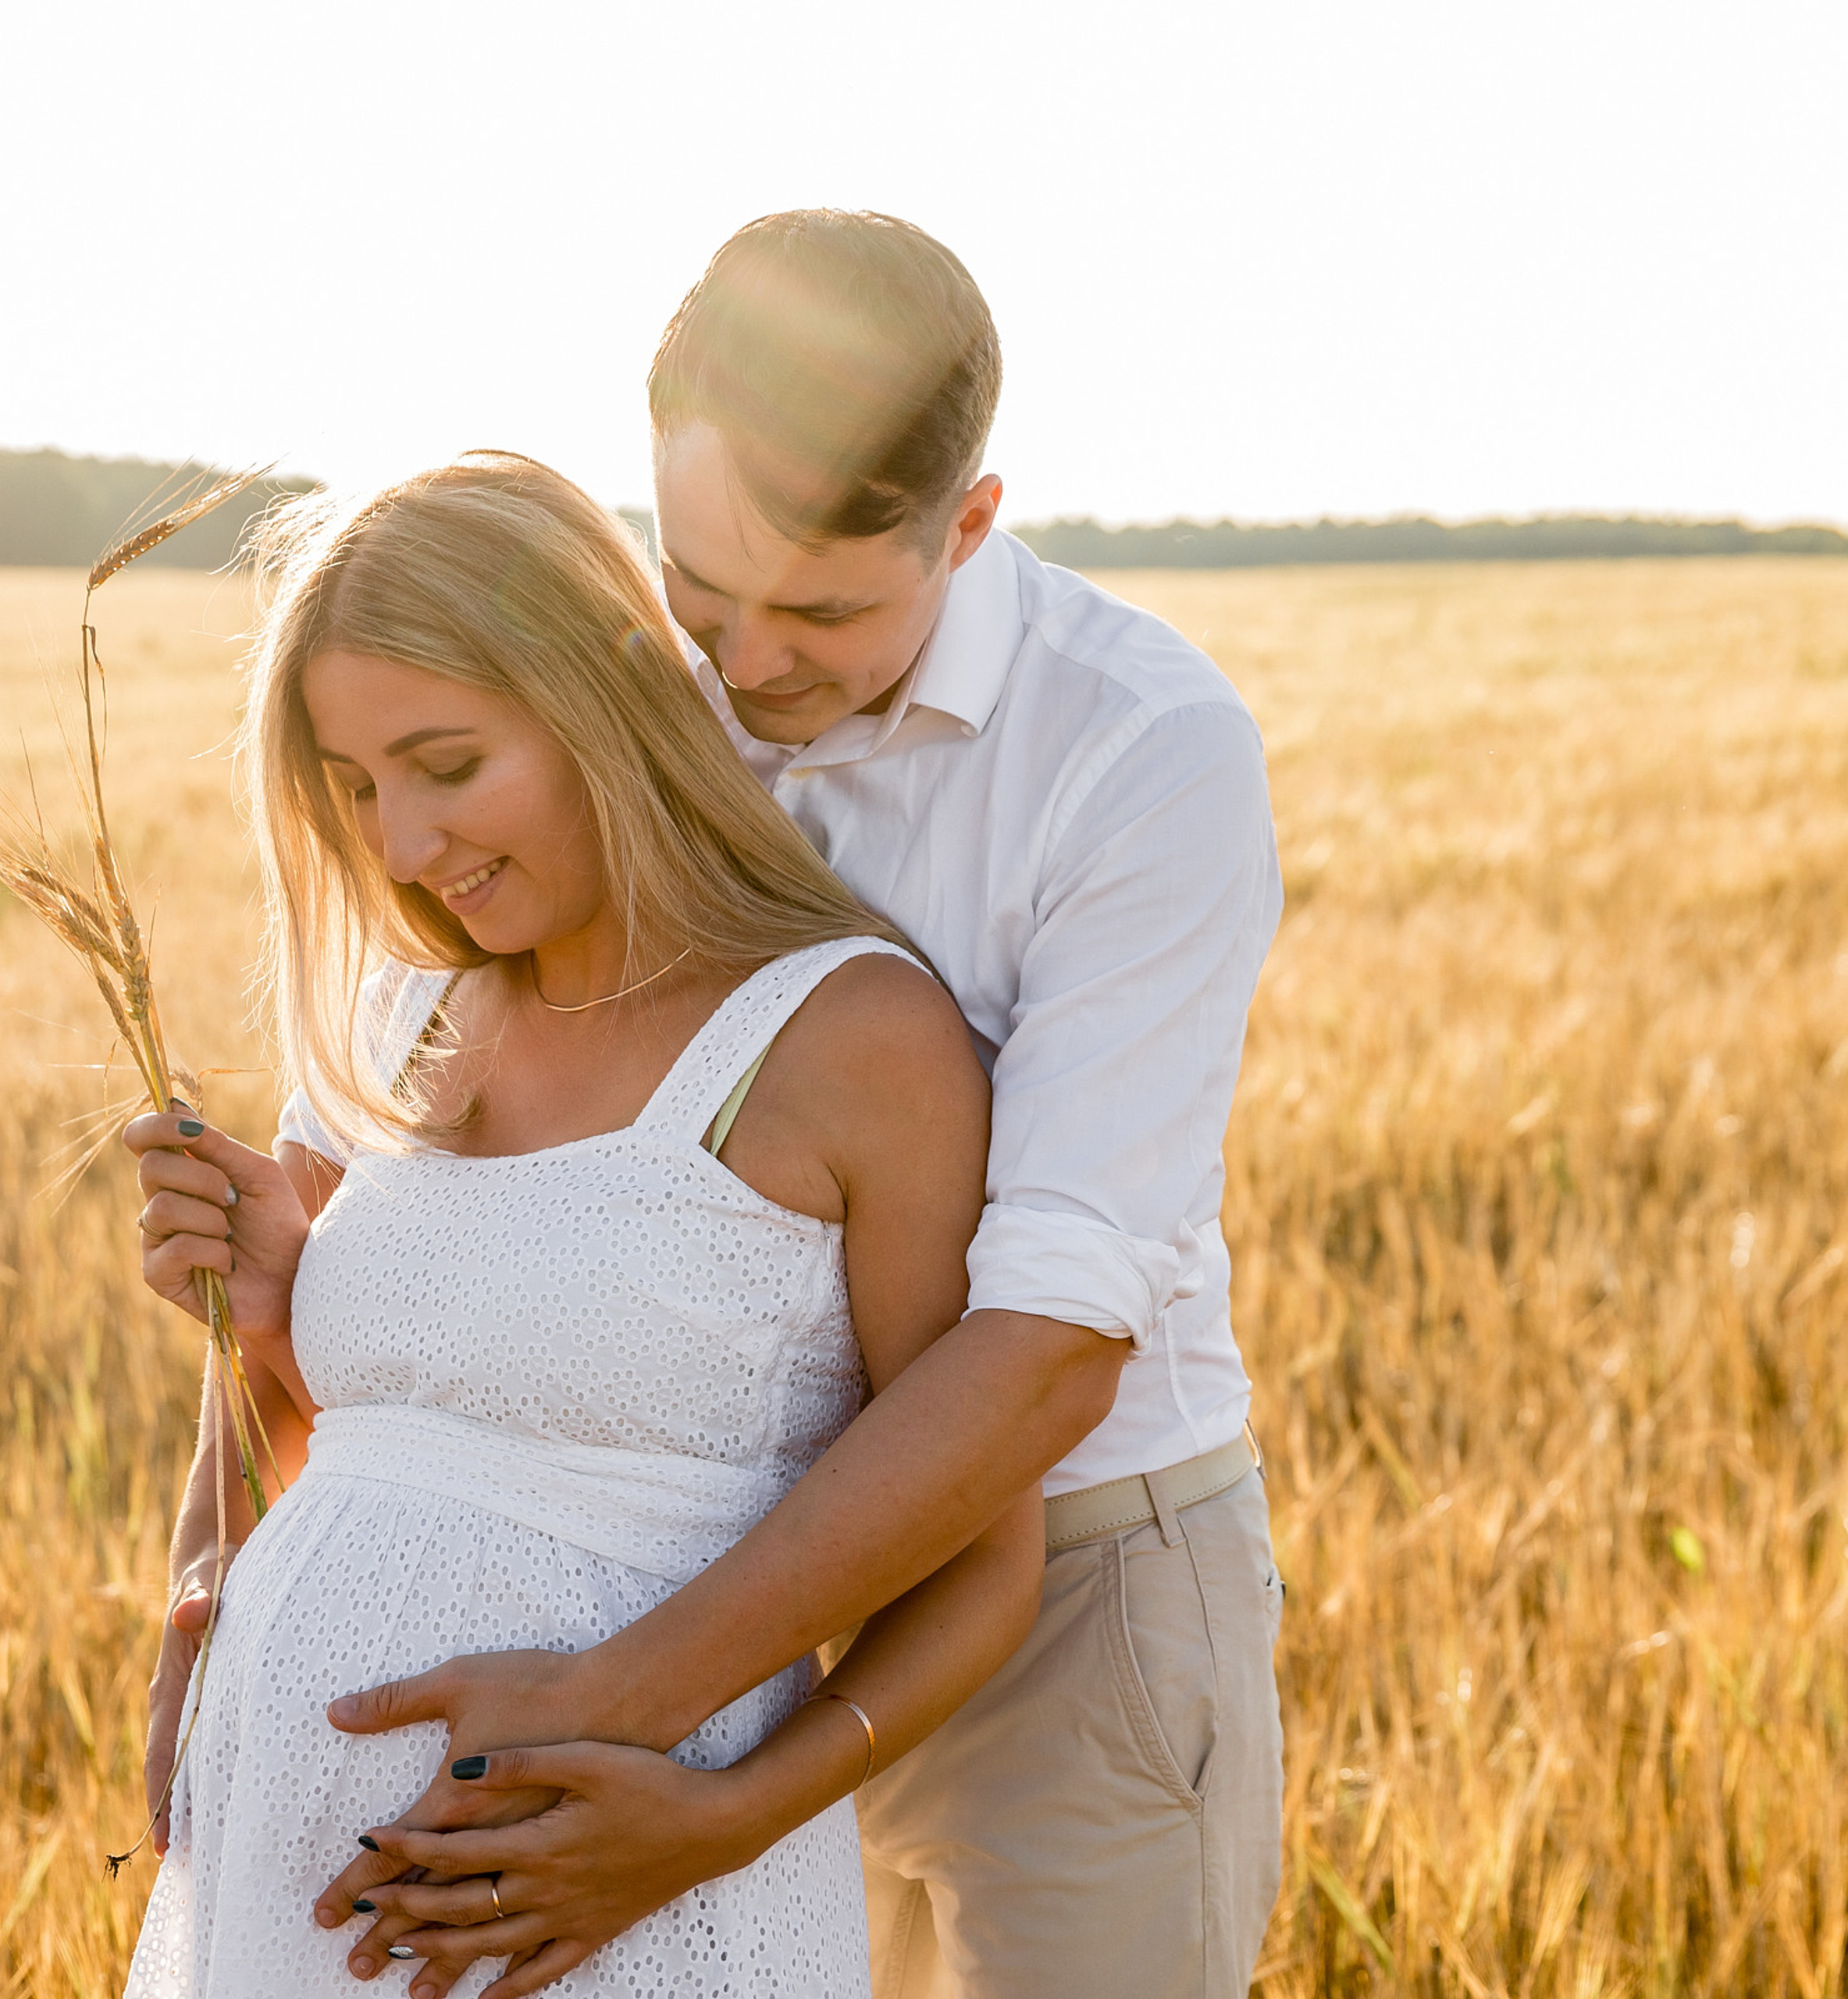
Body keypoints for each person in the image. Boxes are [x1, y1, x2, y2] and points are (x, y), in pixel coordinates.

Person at [160, 212, 1284, 1997]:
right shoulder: (583, 699)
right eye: (699, 588)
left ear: (968, 522)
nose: (744, 665)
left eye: (822, 610)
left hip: (1065, 1570)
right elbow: (375, 1235)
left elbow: (1053, 1335)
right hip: (692, 1600)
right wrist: (225, 1562)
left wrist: (652, 1729)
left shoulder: (1134, 747)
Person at [121, 451, 1042, 1999]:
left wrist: (729, 1818)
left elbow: (983, 1556)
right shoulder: (403, 1010)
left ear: (598, 701)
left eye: (445, 764)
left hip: (632, 1899)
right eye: (355, 786)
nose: (400, 845)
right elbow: (340, 1445)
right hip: (282, 1860)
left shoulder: (847, 1035)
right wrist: (260, 1335)